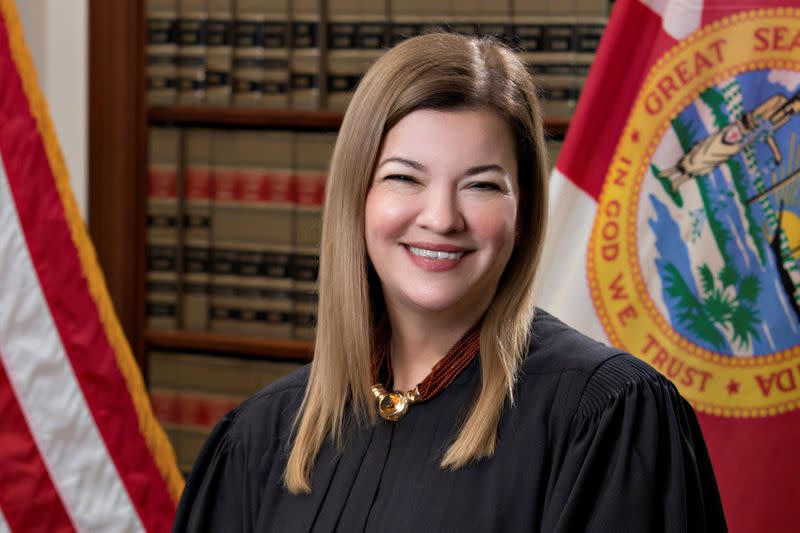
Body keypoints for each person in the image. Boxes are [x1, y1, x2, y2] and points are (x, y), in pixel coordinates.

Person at [173, 32, 727, 532]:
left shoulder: (606, 419)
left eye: (481, 186)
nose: (441, 218)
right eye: (403, 178)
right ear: (355, 198)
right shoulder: (260, 440)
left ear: (524, 210)